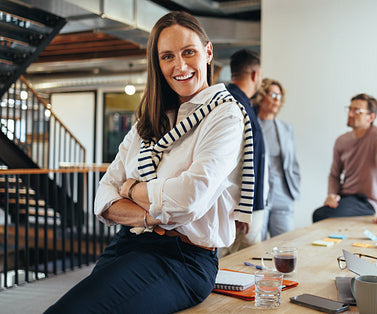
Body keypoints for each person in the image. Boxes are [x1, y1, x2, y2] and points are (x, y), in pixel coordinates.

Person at [45, 11, 254, 313]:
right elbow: (104, 194)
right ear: (157, 63)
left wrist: (131, 190)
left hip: (182, 259)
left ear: (208, 52)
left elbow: (188, 201)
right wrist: (153, 216)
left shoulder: (224, 115)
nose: (179, 66)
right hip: (127, 243)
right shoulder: (148, 120)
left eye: (189, 52)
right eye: (167, 56)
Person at [312, 93, 377, 225]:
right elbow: (334, 175)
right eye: (349, 109)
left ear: (371, 117)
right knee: (320, 214)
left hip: (367, 201)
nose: (350, 114)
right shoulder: (341, 141)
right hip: (345, 198)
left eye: (357, 111)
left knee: (320, 215)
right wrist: (332, 195)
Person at [223, 49, 265, 254]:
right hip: (241, 208)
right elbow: (233, 162)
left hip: (243, 205)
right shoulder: (235, 105)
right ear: (255, 74)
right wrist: (243, 207)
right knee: (242, 261)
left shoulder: (239, 103)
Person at [255, 78, 300, 239]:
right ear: (261, 95)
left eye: (279, 96)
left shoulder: (286, 128)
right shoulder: (251, 126)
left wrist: (294, 189)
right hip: (259, 195)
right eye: (273, 94)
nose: (276, 100)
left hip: (283, 194)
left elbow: (292, 162)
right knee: (255, 246)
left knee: (286, 246)